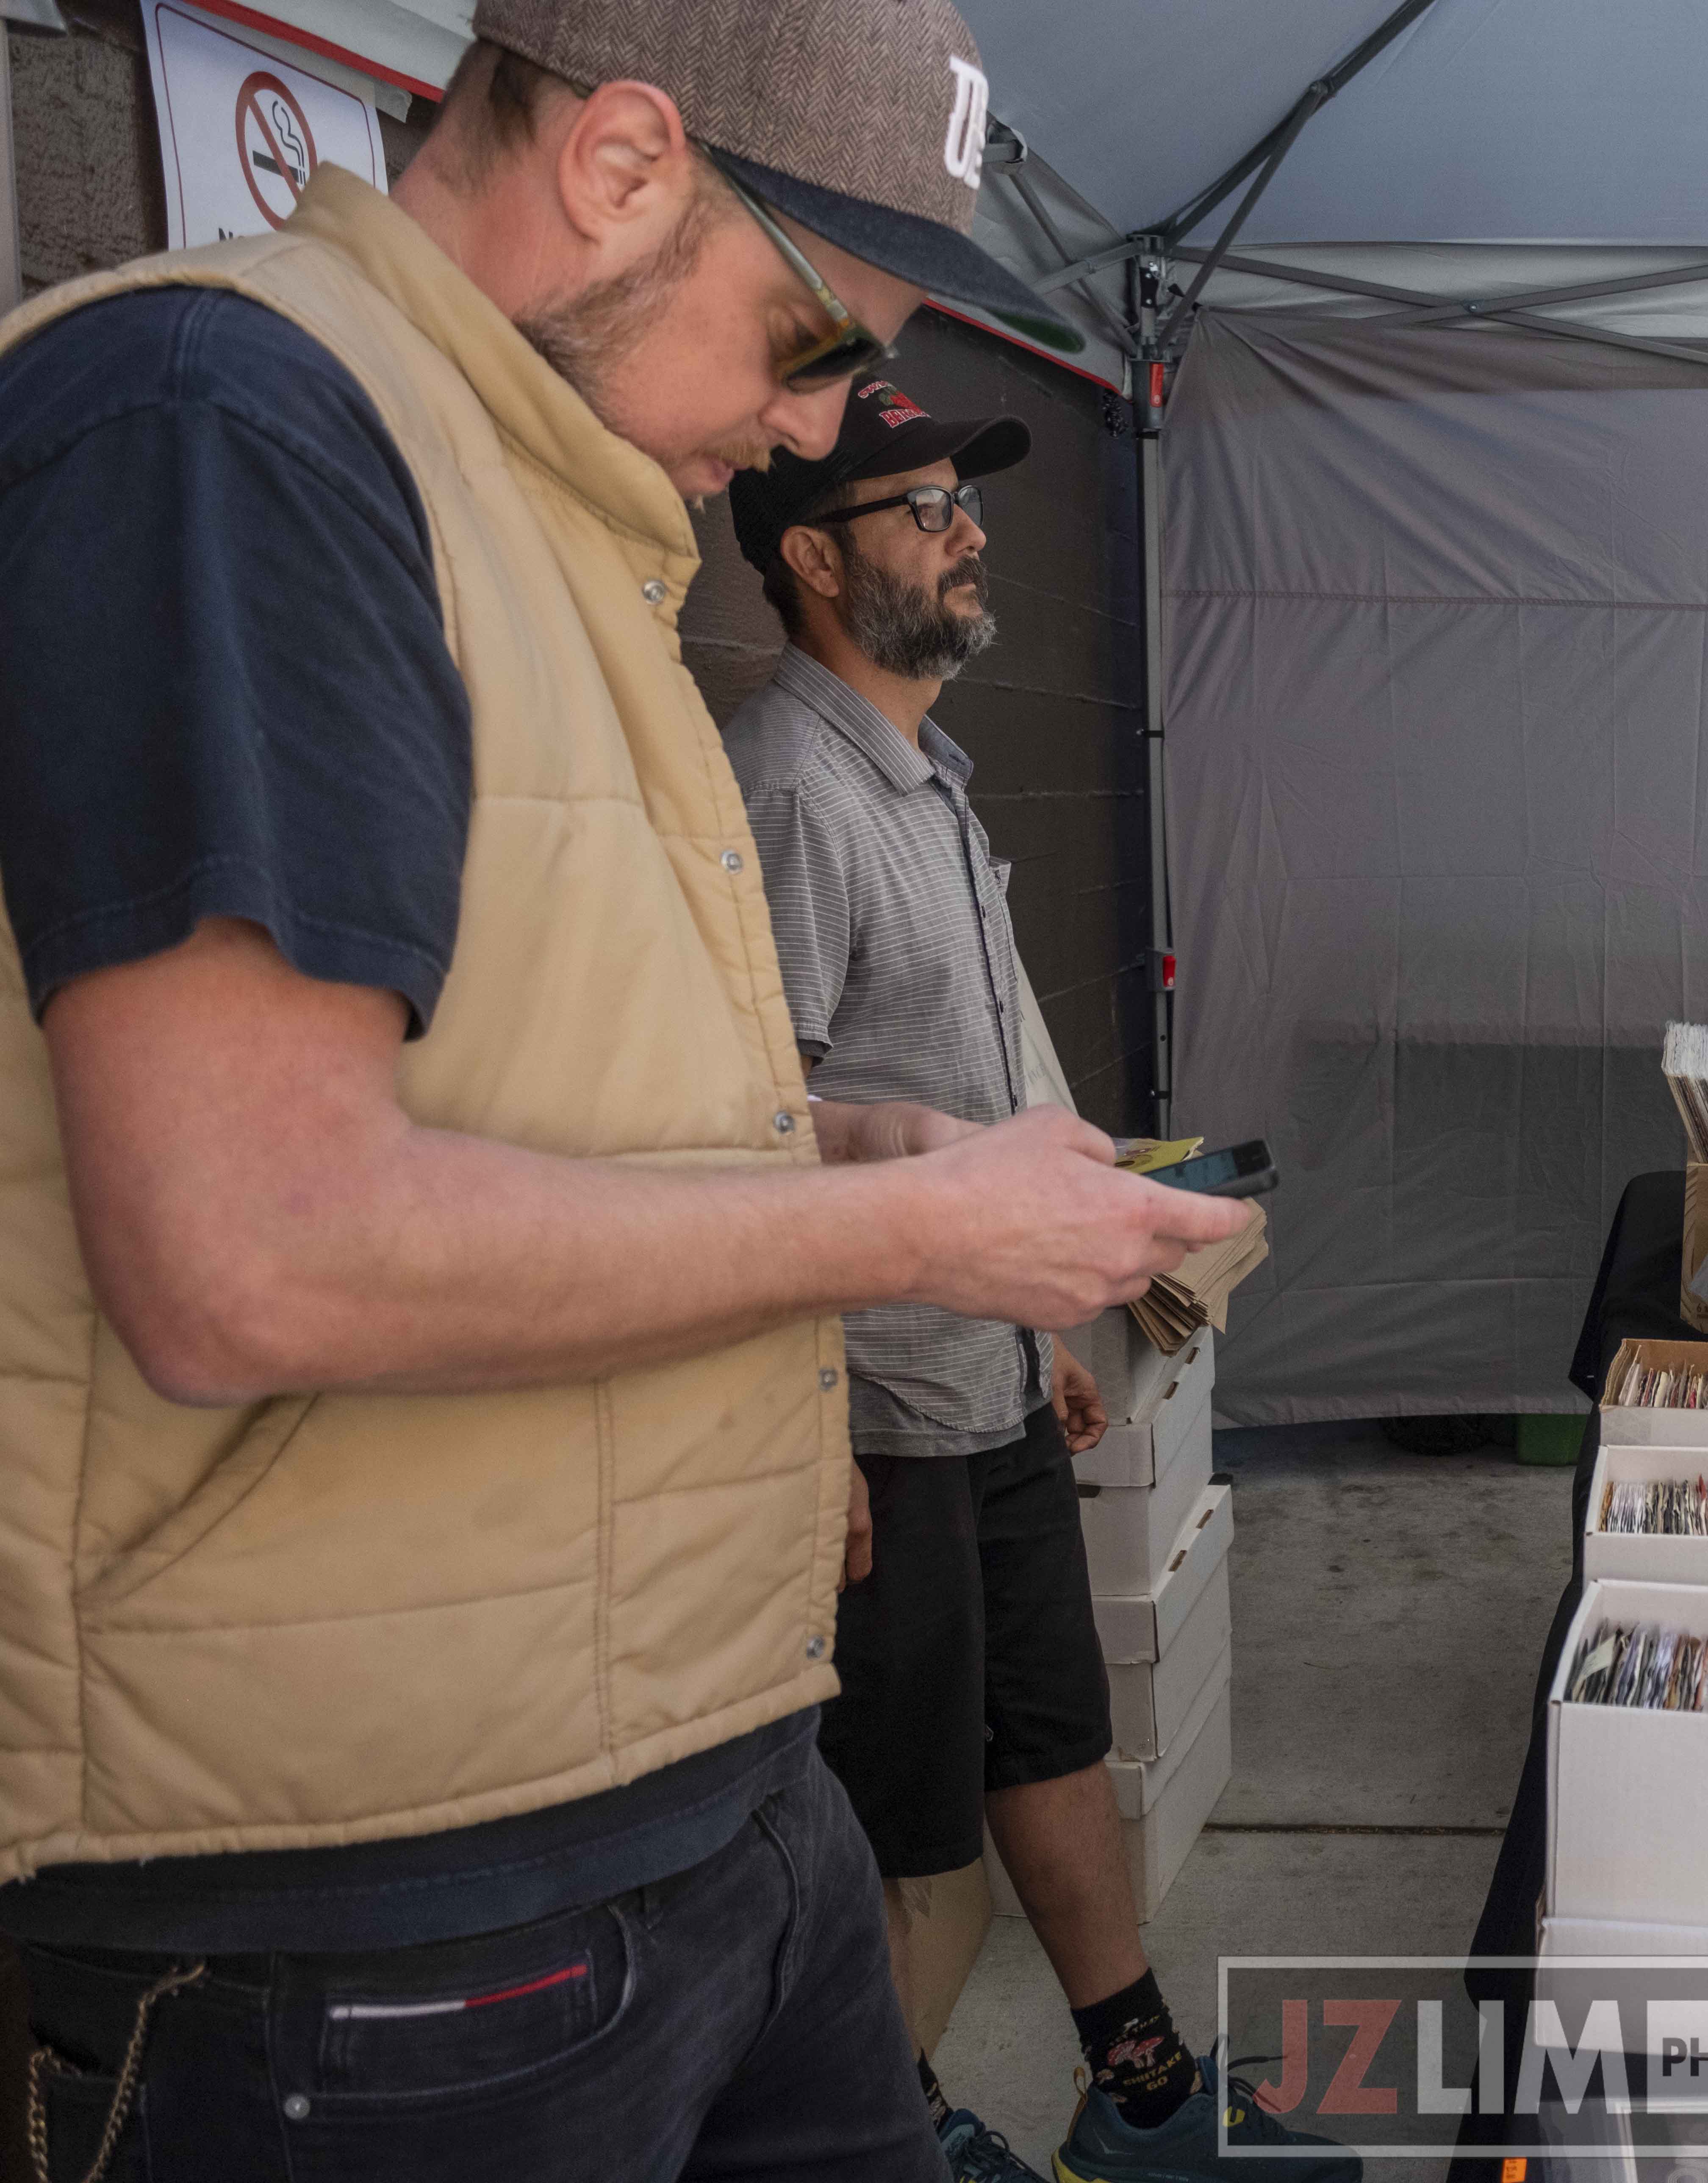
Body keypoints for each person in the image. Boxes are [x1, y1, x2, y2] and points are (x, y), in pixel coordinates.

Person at [0, 6, 1247, 2173]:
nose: (806, 430)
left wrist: (860, 1140)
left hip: (710, 1788)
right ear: (621, 163)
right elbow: (250, 1246)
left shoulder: (560, 523)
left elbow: (536, 1108)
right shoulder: (233, 419)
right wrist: (909, 1226)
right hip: (387, 1901)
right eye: (806, 343)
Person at [722, 379, 1352, 2183]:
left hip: (978, 1381)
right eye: (926, 509)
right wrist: (811, 1426)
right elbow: (746, 1131)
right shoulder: (791, 789)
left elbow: (968, 1090)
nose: (972, 533)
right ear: (814, 558)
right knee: (908, 1847)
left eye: (967, 503)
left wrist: (1043, 1326)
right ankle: (877, 2135)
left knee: (1055, 1748)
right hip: (878, 1420)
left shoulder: (926, 779)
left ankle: (1137, 2094)